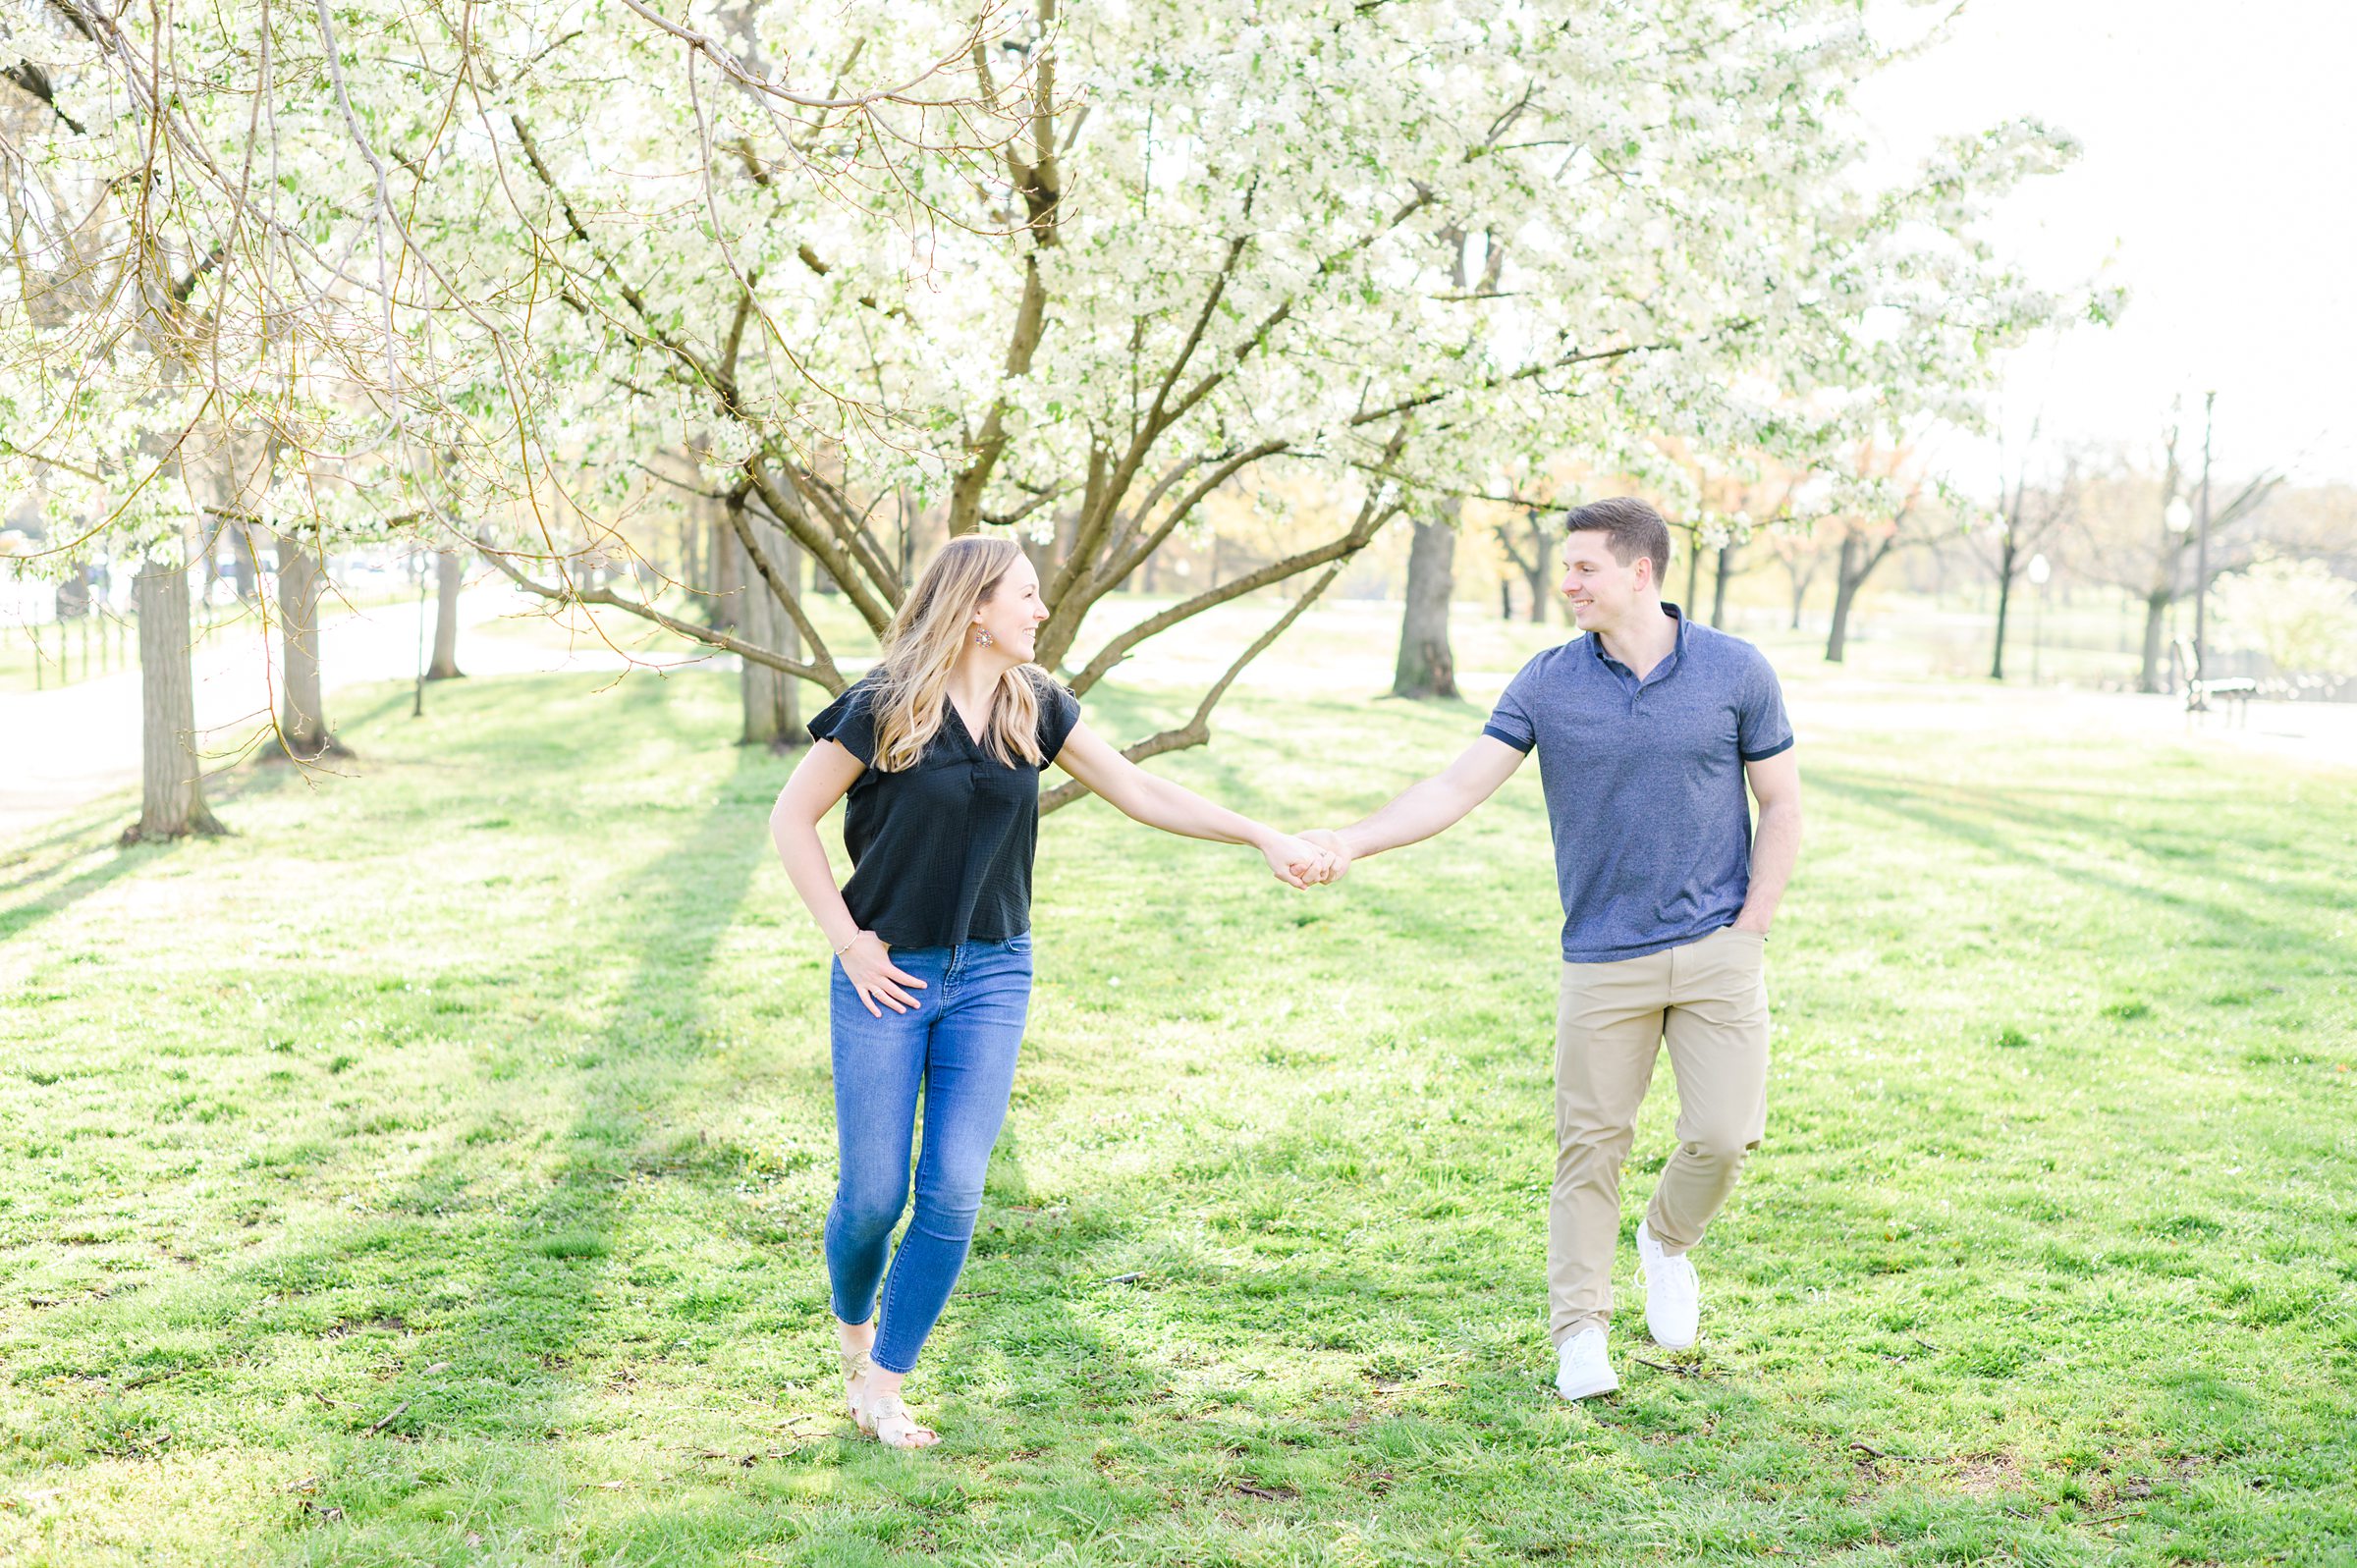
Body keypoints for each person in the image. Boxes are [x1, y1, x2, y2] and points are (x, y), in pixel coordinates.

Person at [769, 535, 1335, 1448]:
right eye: (1026, 595)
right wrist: (850, 942)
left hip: (994, 971)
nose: (1040, 610)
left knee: (952, 1189)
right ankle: (852, 1318)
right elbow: (791, 817)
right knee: (872, 1197)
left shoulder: (1035, 707)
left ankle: (884, 1379)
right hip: (886, 973)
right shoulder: (884, 706)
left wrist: (1260, 833)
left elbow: (1141, 790)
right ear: (975, 608)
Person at [1303, 497, 1801, 1400]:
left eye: (1583, 568)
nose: (1565, 582)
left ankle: (1666, 1240)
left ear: (1640, 571)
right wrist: (1352, 838)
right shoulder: (1547, 682)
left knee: (1724, 1137)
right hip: (1602, 956)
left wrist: (1753, 924)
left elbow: (1784, 802)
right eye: (1565, 567)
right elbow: (1458, 784)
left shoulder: (1735, 670)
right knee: (1590, 1148)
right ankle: (1580, 1330)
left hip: (1719, 946)